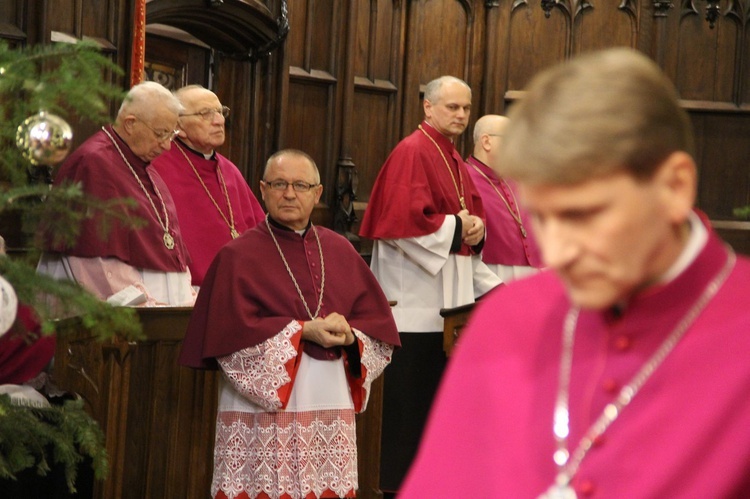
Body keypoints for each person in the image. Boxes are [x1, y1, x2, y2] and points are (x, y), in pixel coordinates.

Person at [399, 48, 750, 498]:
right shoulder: (504, 322)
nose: (558, 253)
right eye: (542, 217)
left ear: (674, 187)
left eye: (585, 216)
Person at [179, 149, 400, 499]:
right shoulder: (236, 256)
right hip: (267, 402)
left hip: (328, 391)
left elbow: (376, 327)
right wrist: (301, 331)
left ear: (318, 193)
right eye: (279, 184)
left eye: (300, 185)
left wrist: (350, 335)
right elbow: (229, 337)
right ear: (263, 190)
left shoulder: (341, 250)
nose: (289, 193)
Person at [358, 75, 501, 494]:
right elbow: (402, 225)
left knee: (437, 410)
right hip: (414, 309)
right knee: (409, 411)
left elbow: (462, 232)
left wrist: (474, 232)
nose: (459, 114)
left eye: (465, 108)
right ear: (427, 106)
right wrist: (461, 227)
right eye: (451, 107)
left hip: (449, 310)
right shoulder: (413, 151)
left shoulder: (451, 156)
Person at [37, 81, 195, 306]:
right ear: (130, 123)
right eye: (161, 134)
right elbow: (95, 259)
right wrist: (147, 306)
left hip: (161, 319)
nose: (167, 146)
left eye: (172, 134)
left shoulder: (143, 166)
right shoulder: (94, 164)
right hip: (116, 318)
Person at [151, 85, 265, 287]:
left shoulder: (229, 170)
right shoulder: (157, 168)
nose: (219, 121)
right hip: (188, 293)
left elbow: (261, 234)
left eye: (221, 112)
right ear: (179, 125)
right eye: (206, 114)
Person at [466, 114, 543, 282]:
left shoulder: (517, 179)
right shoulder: (465, 178)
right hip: (491, 276)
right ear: (486, 142)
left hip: (532, 276)